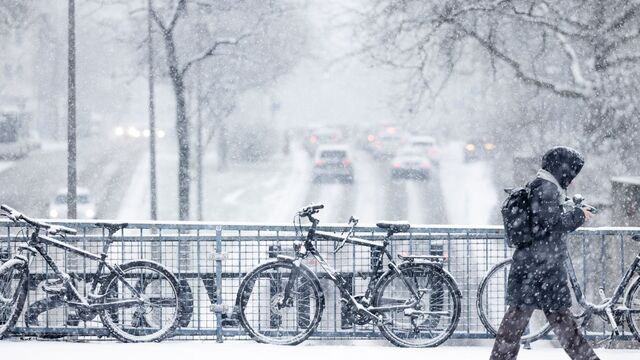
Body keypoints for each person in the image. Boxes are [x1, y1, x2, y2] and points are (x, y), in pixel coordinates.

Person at [490, 146, 599, 360]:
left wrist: (570, 208)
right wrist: (579, 215)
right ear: (561, 169)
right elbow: (553, 223)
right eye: (571, 171)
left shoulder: (542, 185)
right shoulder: (546, 188)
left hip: (533, 265)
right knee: (558, 321)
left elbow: (544, 218)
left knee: (518, 321)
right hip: (542, 267)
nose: (572, 177)